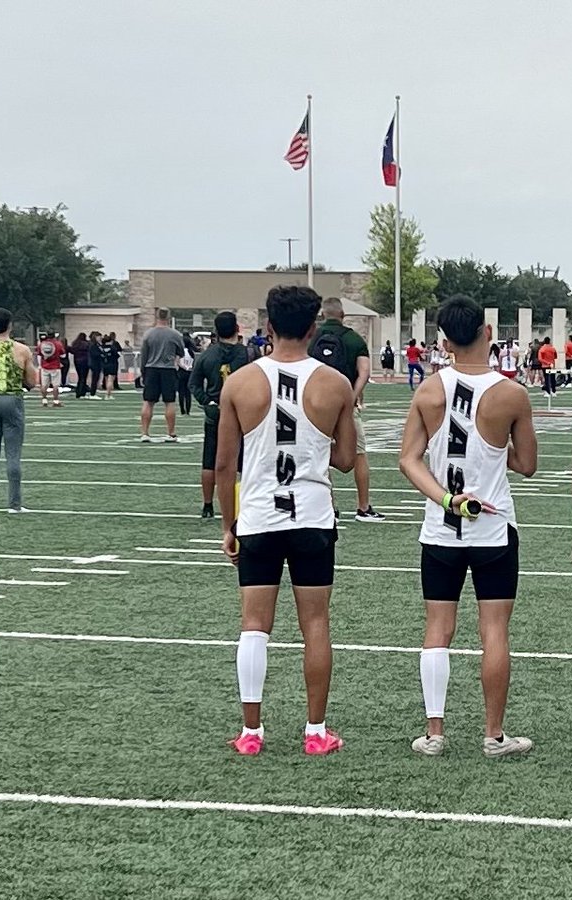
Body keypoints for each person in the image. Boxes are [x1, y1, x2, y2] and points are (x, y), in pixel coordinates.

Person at [218, 285, 357, 757]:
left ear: (268, 326)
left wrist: (228, 525)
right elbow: (344, 458)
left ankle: (251, 733)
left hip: (258, 515)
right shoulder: (334, 383)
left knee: (254, 625)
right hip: (312, 517)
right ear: (314, 327)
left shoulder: (239, 382)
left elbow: (223, 464)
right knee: (315, 623)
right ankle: (316, 731)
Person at [399, 295, 539, 759]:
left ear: (442, 342)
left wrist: (445, 498)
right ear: (488, 334)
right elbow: (528, 464)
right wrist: (496, 449)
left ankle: (434, 733)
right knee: (494, 630)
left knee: (437, 629)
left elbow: (408, 460)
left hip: (441, 529)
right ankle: (494, 735)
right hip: (494, 528)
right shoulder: (512, 393)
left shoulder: (427, 391)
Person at [309, 298, 385, 523]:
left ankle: (330, 507)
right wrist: (351, 396)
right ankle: (363, 506)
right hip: (345, 405)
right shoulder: (353, 339)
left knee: (321, 452)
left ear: (323, 314)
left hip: (316, 404)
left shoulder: (312, 338)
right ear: (343, 315)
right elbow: (364, 372)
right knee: (359, 453)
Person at [190, 311, 249, 518]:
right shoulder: (248, 354)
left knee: (211, 459)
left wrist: (208, 401)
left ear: (215, 331)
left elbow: (194, 384)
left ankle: (208, 505)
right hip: (244, 412)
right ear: (237, 329)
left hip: (216, 413)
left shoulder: (207, 355)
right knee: (248, 460)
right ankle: (246, 501)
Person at [0, 308, 38, 513]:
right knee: (13, 453)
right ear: (10, 325)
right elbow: (32, 382)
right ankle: (14, 504)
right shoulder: (22, 350)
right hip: (12, 400)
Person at [139, 308, 185, 442]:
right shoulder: (175, 334)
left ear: (156, 316)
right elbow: (181, 352)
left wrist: (143, 372)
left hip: (151, 369)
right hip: (168, 369)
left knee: (148, 402)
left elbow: (144, 355)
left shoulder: (148, 334)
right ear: (169, 317)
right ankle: (171, 433)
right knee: (169, 402)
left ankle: (145, 433)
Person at [36, 332, 65, 408]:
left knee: (44, 385)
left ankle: (44, 401)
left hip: (44, 367)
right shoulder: (58, 344)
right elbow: (63, 355)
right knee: (55, 385)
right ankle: (56, 401)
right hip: (55, 367)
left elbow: (39, 354)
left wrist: (40, 365)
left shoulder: (42, 344)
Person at [177, 332, 195, 416]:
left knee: (181, 392)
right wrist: (189, 368)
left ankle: (182, 410)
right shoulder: (191, 352)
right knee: (188, 393)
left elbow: (179, 362)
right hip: (189, 372)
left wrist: (183, 367)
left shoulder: (180, 351)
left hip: (181, 372)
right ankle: (188, 410)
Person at [100, 332, 121, 399]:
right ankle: (108, 394)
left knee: (106, 379)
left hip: (105, 364)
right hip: (112, 364)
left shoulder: (102, 348)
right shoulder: (112, 348)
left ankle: (107, 393)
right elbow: (117, 355)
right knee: (111, 380)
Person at [70, 333, 90, 399]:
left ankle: (78, 391)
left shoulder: (75, 343)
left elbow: (72, 351)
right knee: (83, 378)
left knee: (80, 377)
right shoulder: (86, 344)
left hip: (77, 361)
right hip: (85, 361)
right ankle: (82, 392)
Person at [88, 332, 104, 398]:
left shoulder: (98, 345)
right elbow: (94, 354)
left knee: (96, 378)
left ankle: (93, 392)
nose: (100, 338)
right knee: (95, 378)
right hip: (95, 363)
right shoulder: (93, 345)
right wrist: (101, 355)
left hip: (98, 363)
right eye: (99, 337)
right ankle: (92, 393)